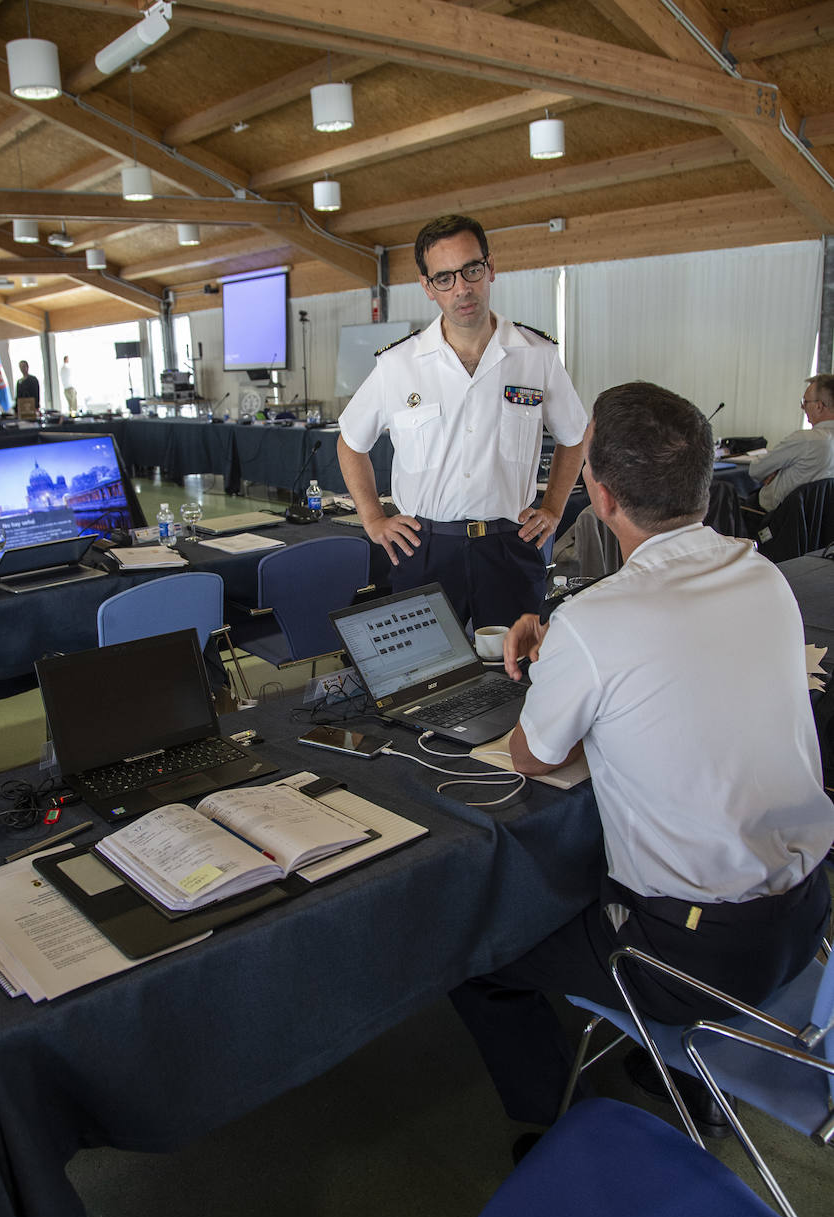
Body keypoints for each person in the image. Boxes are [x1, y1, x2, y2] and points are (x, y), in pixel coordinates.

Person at [450, 381, 834, 1139]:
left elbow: (531, 755)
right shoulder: (763, 575)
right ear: (704, 479)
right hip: (805, 919)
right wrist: (574, 647)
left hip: (692, 955)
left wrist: (558, 655)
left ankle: (551, 1131)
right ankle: (684, 1084)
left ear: (598, 492)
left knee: (479, 953)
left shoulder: (597, 620)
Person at [337, 214, 587, 629]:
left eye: (471, 270)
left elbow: (575, 436)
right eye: (444, 278)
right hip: (425, 548)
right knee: (424, 678)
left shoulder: (535, 355)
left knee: (516, 673)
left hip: (510, 545)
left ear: (490, 267)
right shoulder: (399, 364)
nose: (462, 288)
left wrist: (554, 507)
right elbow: (350, 442)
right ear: (427, 287)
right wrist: (373, 518)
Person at [748, 373, 834, 512]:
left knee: (725, 495)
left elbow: (755, 471)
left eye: (805, 402)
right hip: (822, 525)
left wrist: (777, 471)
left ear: (819, 406)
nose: (802, 407)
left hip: (773, 520)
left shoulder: (805, 440)